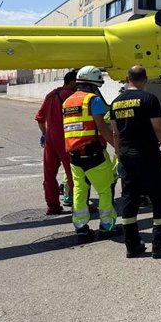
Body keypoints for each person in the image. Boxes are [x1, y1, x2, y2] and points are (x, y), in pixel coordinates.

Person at [111, 65, 161, 259]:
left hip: (126, 155)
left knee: (130, 197)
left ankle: (132, 245)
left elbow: (115, 133)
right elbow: (159, 130)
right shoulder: (149, 99)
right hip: (147, 154)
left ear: (127, 78)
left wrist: (119, 156)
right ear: (145, 79)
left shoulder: (116, 103)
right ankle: (160, 245)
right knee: (159, 196)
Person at [63, 65, 118, 243]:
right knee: (105, 189)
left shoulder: (68, 102)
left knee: (80, 190)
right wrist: (117, 147)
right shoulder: (92, 100)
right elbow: (102, 128)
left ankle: (81, 229)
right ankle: (107, 226)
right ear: (93, 84)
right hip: (94, 154)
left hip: (74, 156)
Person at [36, 70, 77, 215]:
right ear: (72, 82)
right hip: (66, 139)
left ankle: (52, 205)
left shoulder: (50, 95)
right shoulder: (71, 96)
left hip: (50, 139)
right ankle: (78, 205)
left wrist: (45, 134)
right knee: (73, 172)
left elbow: (40, 118)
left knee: (49, 174)